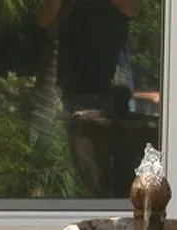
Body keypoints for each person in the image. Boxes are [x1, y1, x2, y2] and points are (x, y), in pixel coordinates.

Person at [38, 0, 145, 197]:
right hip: (77, 88)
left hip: (114, 90)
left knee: (126, 172)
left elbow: (132, 8)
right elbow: (44, 18)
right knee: (90, 177)